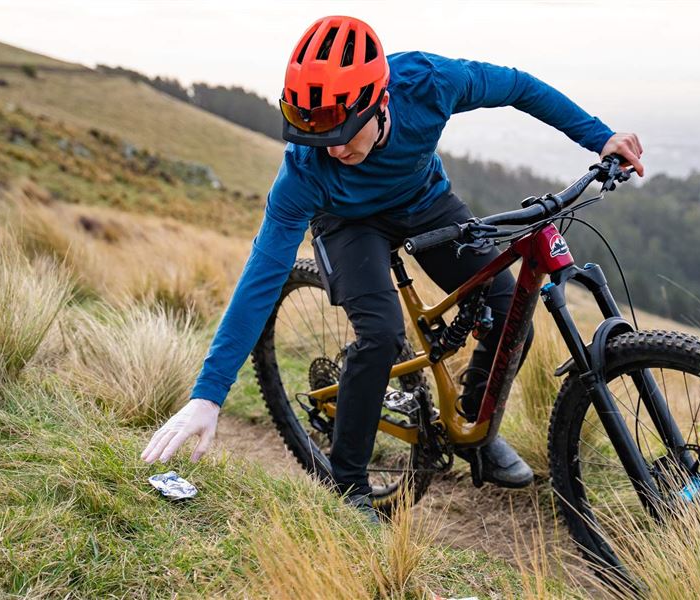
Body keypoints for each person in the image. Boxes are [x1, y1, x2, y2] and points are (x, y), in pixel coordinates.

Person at [140, 15, 644, 521]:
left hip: (424, 201)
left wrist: (599, 137)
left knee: (510, 309)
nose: (334, 149)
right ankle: (348, 486)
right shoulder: (304, 172)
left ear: (381, 101)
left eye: (344, 131)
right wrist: (208, 396)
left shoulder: (428, 83)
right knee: (379, 335)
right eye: (318, 135)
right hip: (347, 224)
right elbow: (262, 276)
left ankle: (475, 431)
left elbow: (519, 87)